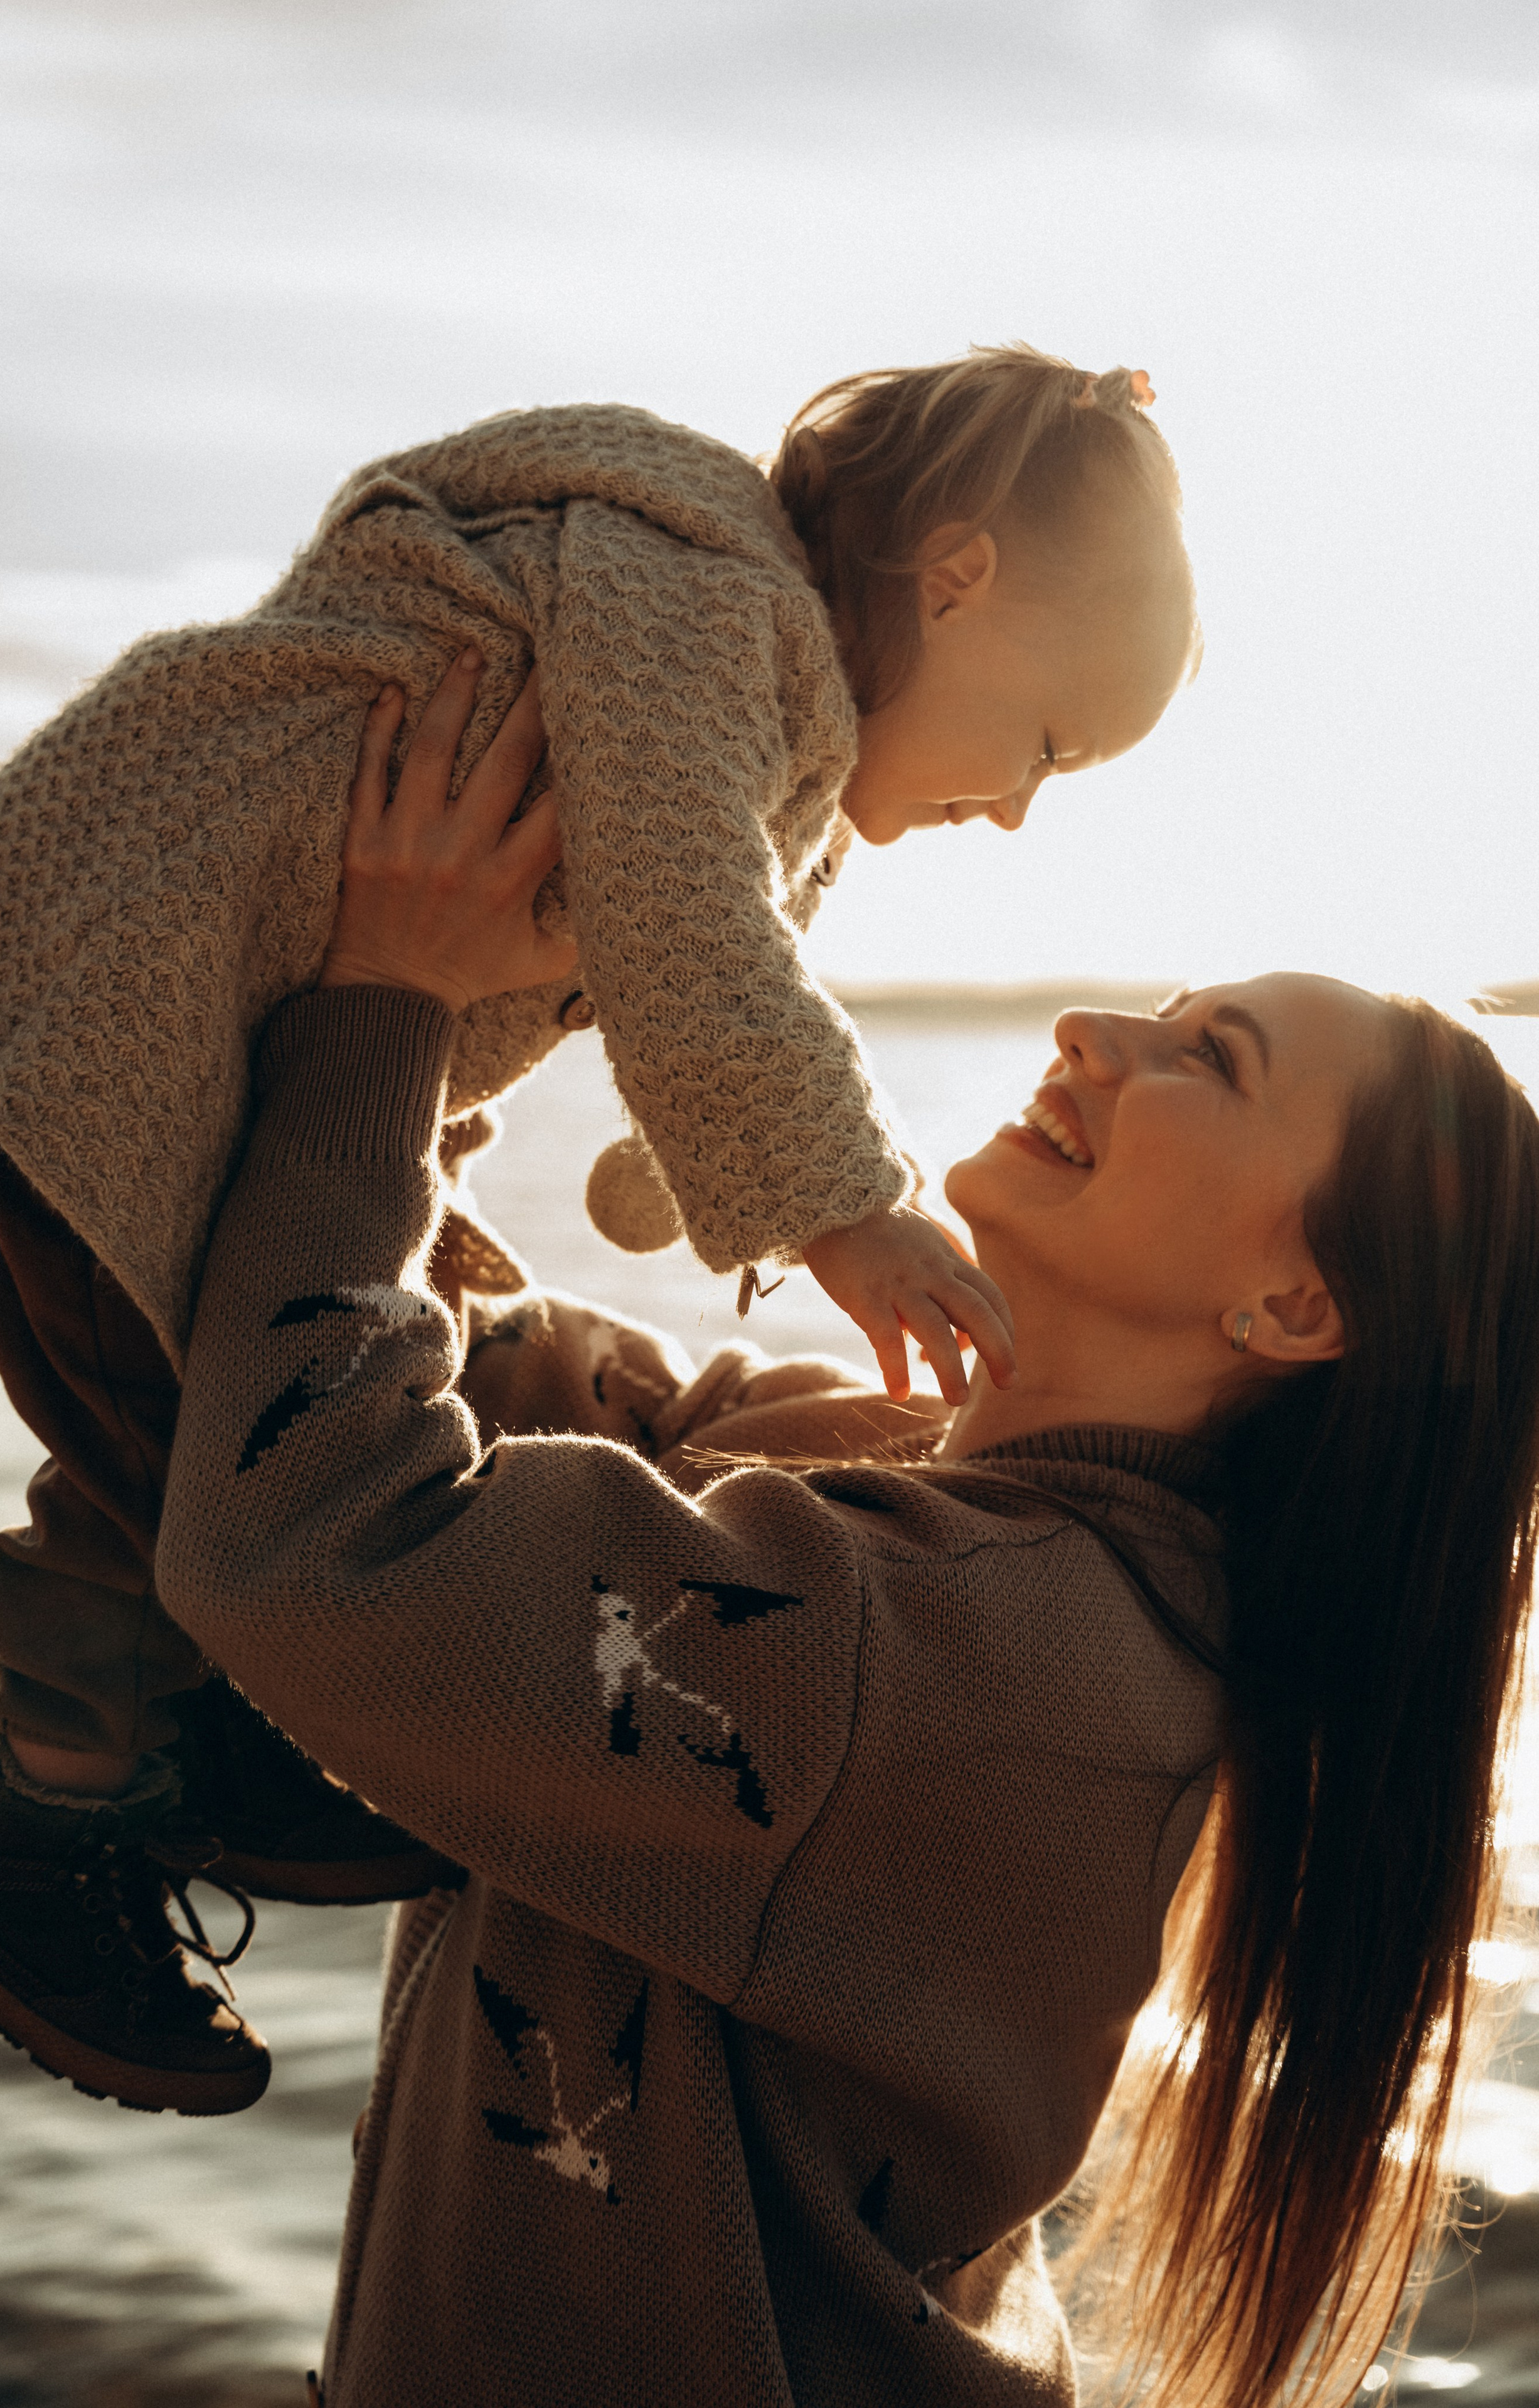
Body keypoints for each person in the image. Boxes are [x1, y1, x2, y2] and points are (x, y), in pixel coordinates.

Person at [151, 666, 1539, 2406]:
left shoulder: (955, 1654)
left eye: (1211, 1060)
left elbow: (309, 1532)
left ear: (1294, 1300)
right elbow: (571, 1394)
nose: (1093, 1034)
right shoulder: (931, 1513)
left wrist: (390, 998)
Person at [0, 344, 1197, 2111]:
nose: (1015, 804)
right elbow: (685, 922)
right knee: (185, 1442)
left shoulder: (743, 699)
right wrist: (855, 1209)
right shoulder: (716, 611)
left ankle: (207, 1728)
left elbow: (704, 942)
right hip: (102, 1029)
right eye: (1047, 742)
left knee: (231, 1396)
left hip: (193, 1054)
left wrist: (670, 1173)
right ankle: (40, 1827)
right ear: (960, 578)